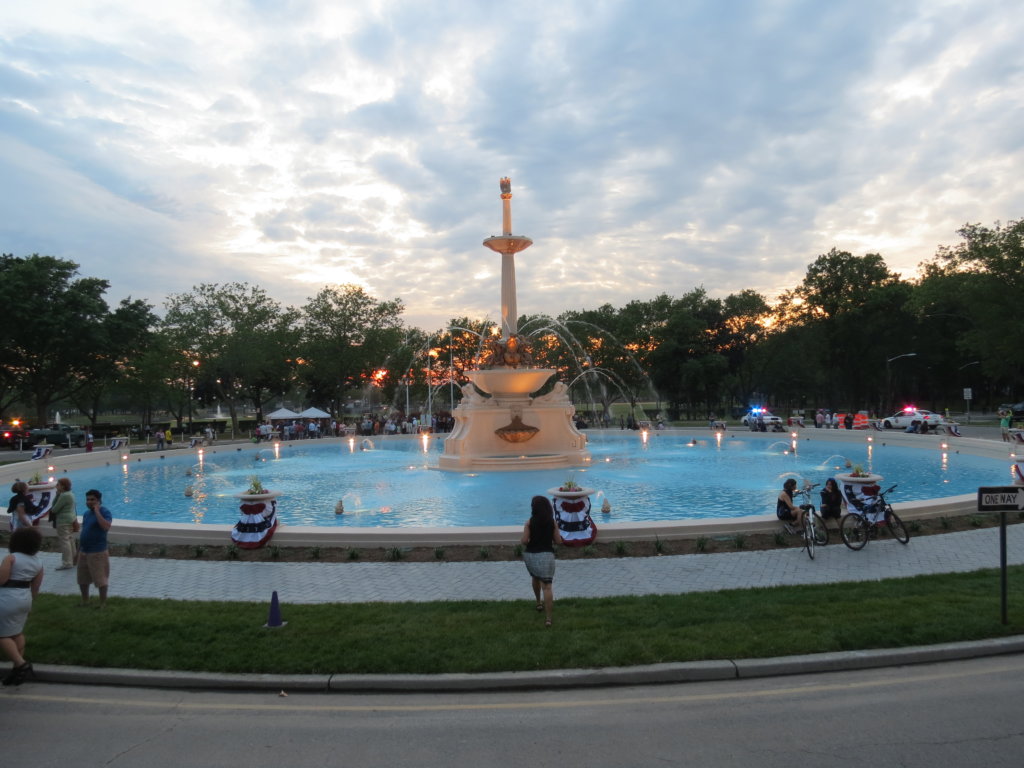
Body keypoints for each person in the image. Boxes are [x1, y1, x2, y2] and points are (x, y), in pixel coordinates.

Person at [0, 526, 44, 686]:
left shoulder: (11, 558)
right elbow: (36, 587)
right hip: (24, 598)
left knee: (2, 635)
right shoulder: (38, 563)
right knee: (16, 633)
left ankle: (21, 664)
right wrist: (31, 603)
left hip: (6, 598)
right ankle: (16, 672)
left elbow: (2, 579)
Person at [521, 495, 563, 627]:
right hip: (547, 556)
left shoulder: (529, 522)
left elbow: (524, 541)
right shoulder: (552, 522)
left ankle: (538, 603)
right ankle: (549, 618)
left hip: (532, 555)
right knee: (547, 586)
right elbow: (558, 541)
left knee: (535, 578)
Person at [78, 489, 113, 608]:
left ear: (99, 501)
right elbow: (83, 532)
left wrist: (97, 511)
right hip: (84, 551)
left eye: (92, 499)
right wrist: (78, 551)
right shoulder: (86, 514)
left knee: (101, 579)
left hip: (98, 552)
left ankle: (103, 603)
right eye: (87, 499)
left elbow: (106, 527)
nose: (89, 502)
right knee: (82, 579)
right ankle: (85, 601)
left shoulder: (105, 512)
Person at [50, 477, 78, 569]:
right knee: (70, 540)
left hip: (63, 521)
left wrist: (57, 496)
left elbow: (54, 509)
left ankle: (67, 563)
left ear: (62, 486)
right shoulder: (71, 494)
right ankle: (74, 560)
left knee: (65, 541)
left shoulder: (63, 496)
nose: (56, 486)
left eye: (58, 485)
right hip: (71, 519)